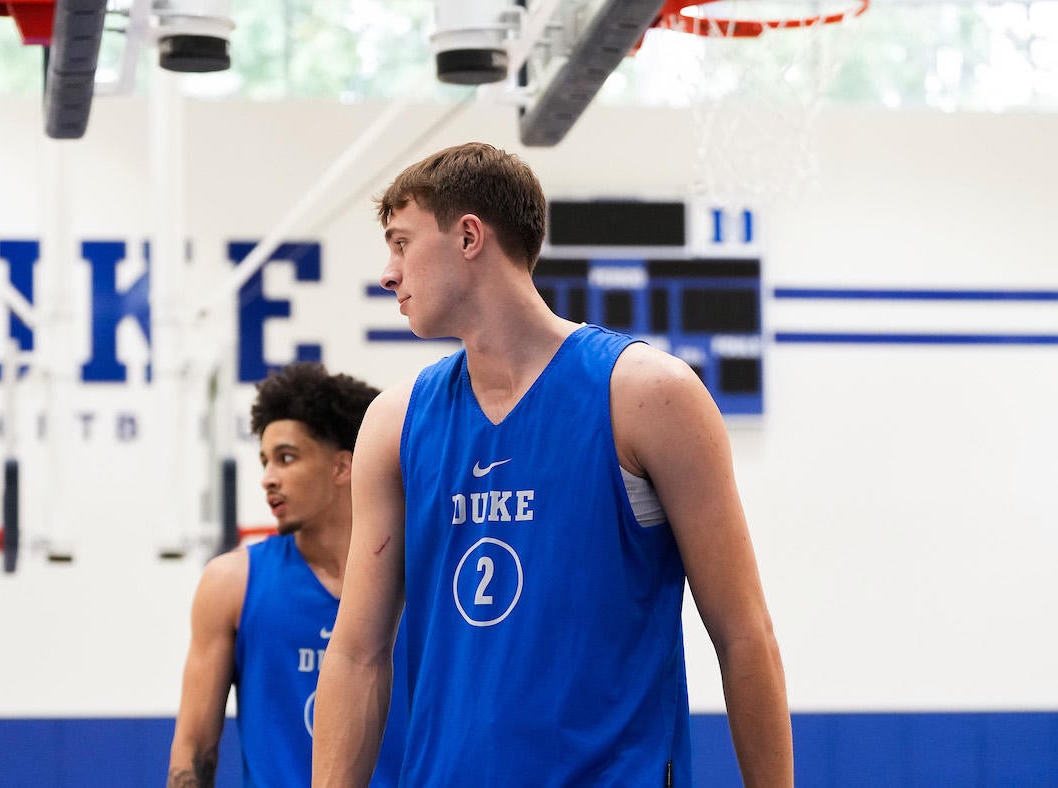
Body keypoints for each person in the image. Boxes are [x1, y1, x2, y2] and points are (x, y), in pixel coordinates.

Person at [312, 142, 791, 786]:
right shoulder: (394, 423)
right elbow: (356, 656)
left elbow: (744, 634)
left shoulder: (647, 394)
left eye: (401, 243)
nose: (388, 273)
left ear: (469, 236)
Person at [169, 362, 407, 787]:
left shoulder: (421, 580)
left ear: (342, 467)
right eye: (265, 461)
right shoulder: (231, 583)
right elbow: (194, 750)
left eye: (286, 458)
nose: (267, 479)